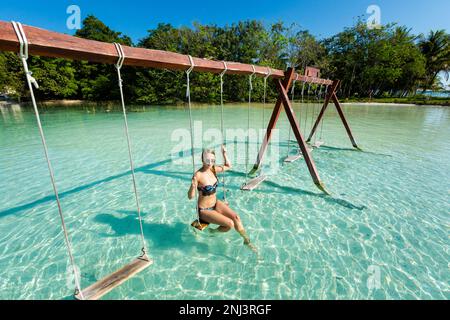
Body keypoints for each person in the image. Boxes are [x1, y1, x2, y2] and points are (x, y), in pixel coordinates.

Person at [188, 145, 256, 251]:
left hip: (216, 204)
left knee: (236, 217)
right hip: (204, 210)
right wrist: (192, 187)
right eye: (207, 160)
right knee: (230, 224)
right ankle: (213, 232)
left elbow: (228, 166)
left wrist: (224, 154)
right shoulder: (198, 175)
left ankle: (246, 240)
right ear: (202, 159)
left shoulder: (213, 169)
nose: (210, 163)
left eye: (212, 160)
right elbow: (190, 197)